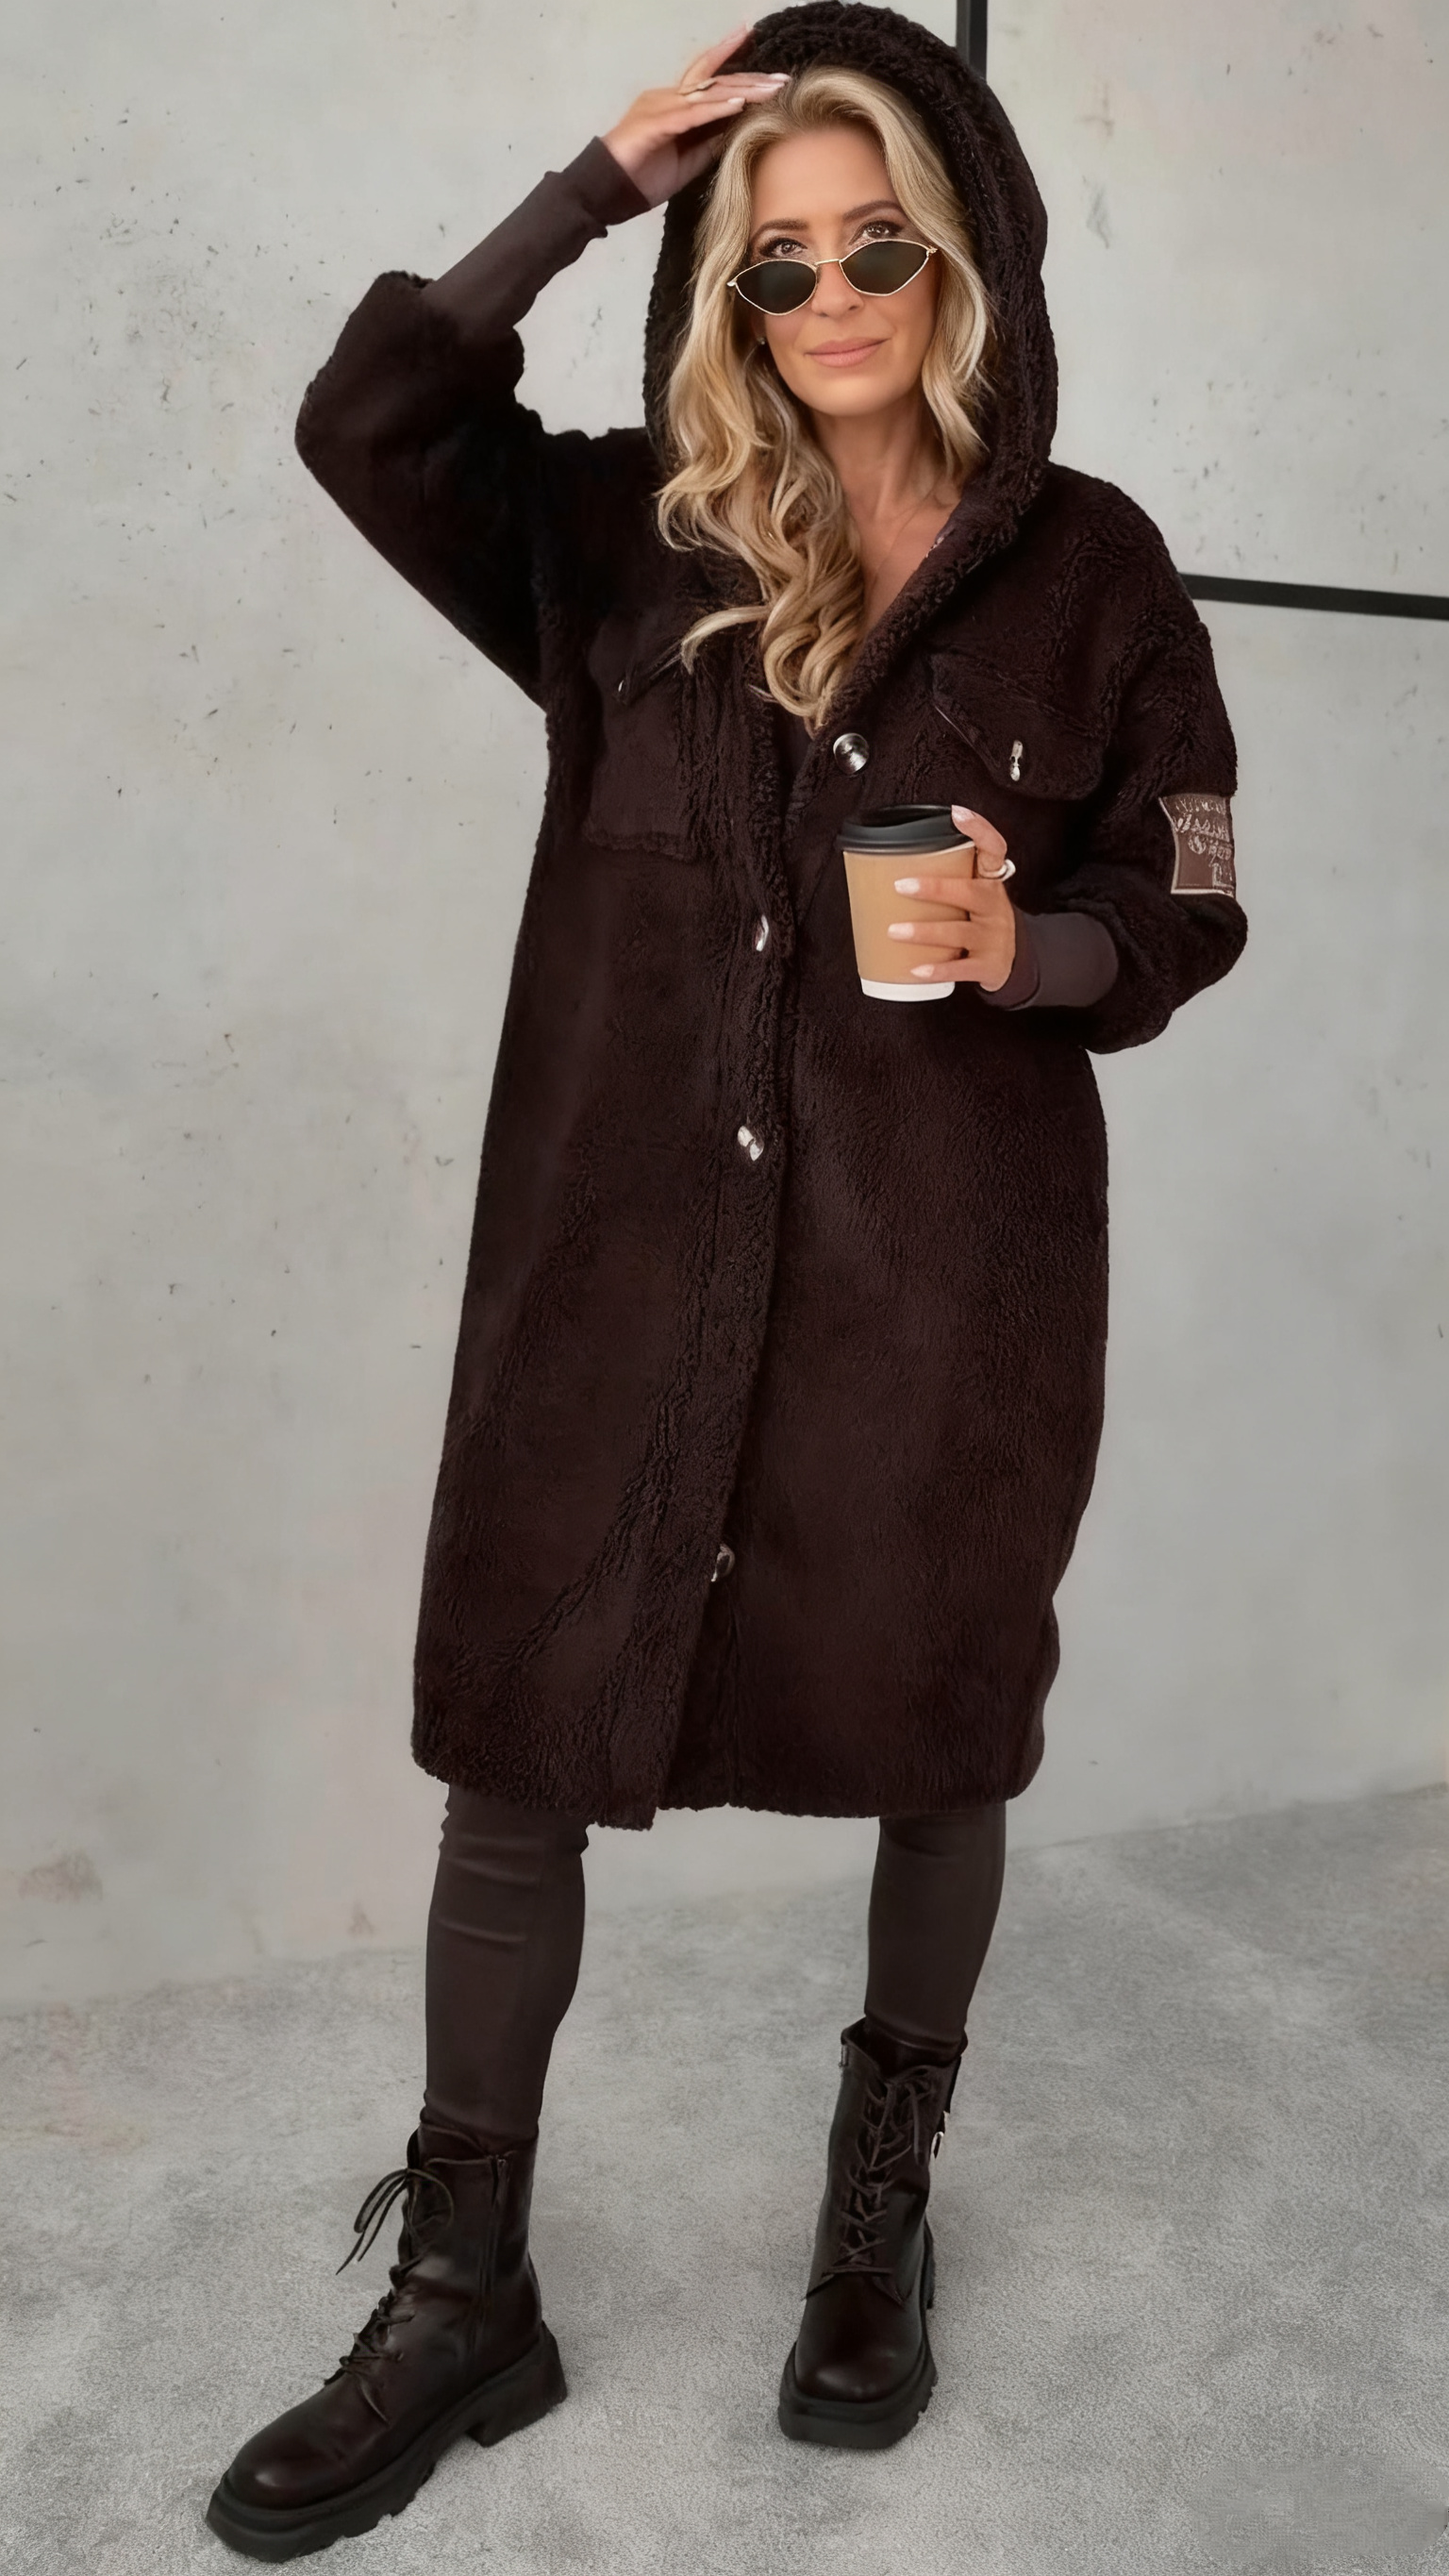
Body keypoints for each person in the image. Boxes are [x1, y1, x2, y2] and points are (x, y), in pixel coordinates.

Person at [206, 5, 1246, 2555]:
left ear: (966, 259)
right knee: (517, 1735)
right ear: (729, 291)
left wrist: (1034, 950)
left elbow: (1195, 893)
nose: (836, 295)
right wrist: (594, 181)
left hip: (946, 1279)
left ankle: (874, 2226)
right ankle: (463, 2284)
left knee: (940, 1722)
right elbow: (367, 426)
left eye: (881, 243)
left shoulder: (1095, 571)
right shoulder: (621, 541)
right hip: (617, 1262)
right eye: (781, 263)